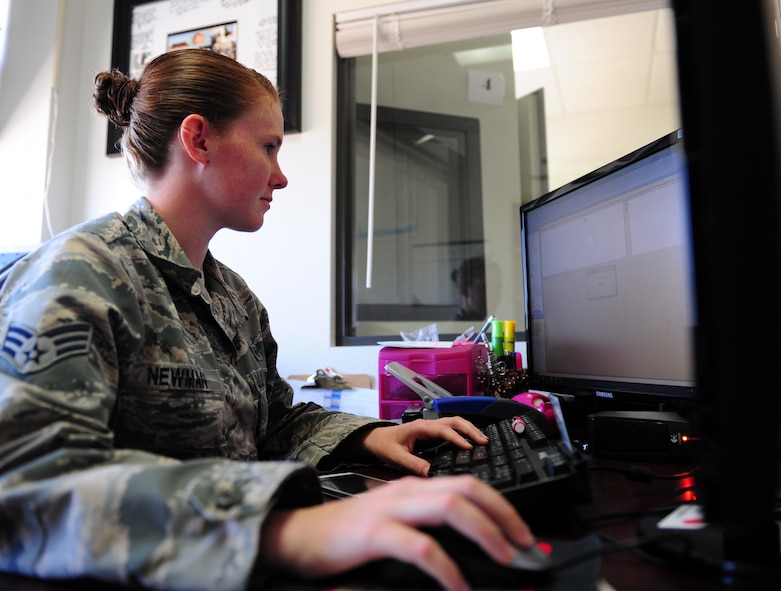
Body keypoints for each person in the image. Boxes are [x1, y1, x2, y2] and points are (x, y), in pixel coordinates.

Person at [0, 49, 535, 591]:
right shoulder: (79, 274)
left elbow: (273, 424)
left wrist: (371, 438)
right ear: (199, 140)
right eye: (269, 146)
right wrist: (284, 531)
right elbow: (23, 482)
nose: (280, 177)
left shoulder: (234, 296)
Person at [451, 256, 488, 321]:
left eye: (497, 289)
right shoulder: (455, 329)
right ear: (464, 290)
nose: (495, 295)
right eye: (483, 288)